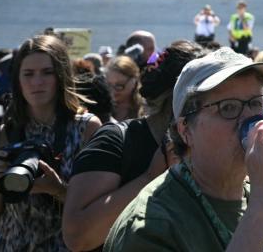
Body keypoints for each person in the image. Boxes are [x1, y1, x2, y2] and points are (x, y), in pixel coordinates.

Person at [103, 47, 263, 251]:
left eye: (256, 103)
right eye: (228, 107)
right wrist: (260, 205)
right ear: (186, 130)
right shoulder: (150, 226)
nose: (252, 121)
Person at [62, 41, 207, 251]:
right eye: (203, 96)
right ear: (176, 96)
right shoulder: (117, 140)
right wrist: (150, 178)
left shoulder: (209, 145)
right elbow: (78, 236)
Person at [0, 35, 103, 252]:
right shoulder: (5, 133)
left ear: (61, 76)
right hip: (6, 245)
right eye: (28, 74)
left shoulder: (87, 129)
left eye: (47, 73)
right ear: (17, 80)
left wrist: (58, 190)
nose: (37, 82)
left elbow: (97, 213)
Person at [107, 56, 143, 122]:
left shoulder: (145, 108)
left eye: (119, 85)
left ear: (134, 80)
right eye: (109, 85)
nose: (113, 90)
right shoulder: (102, 107)